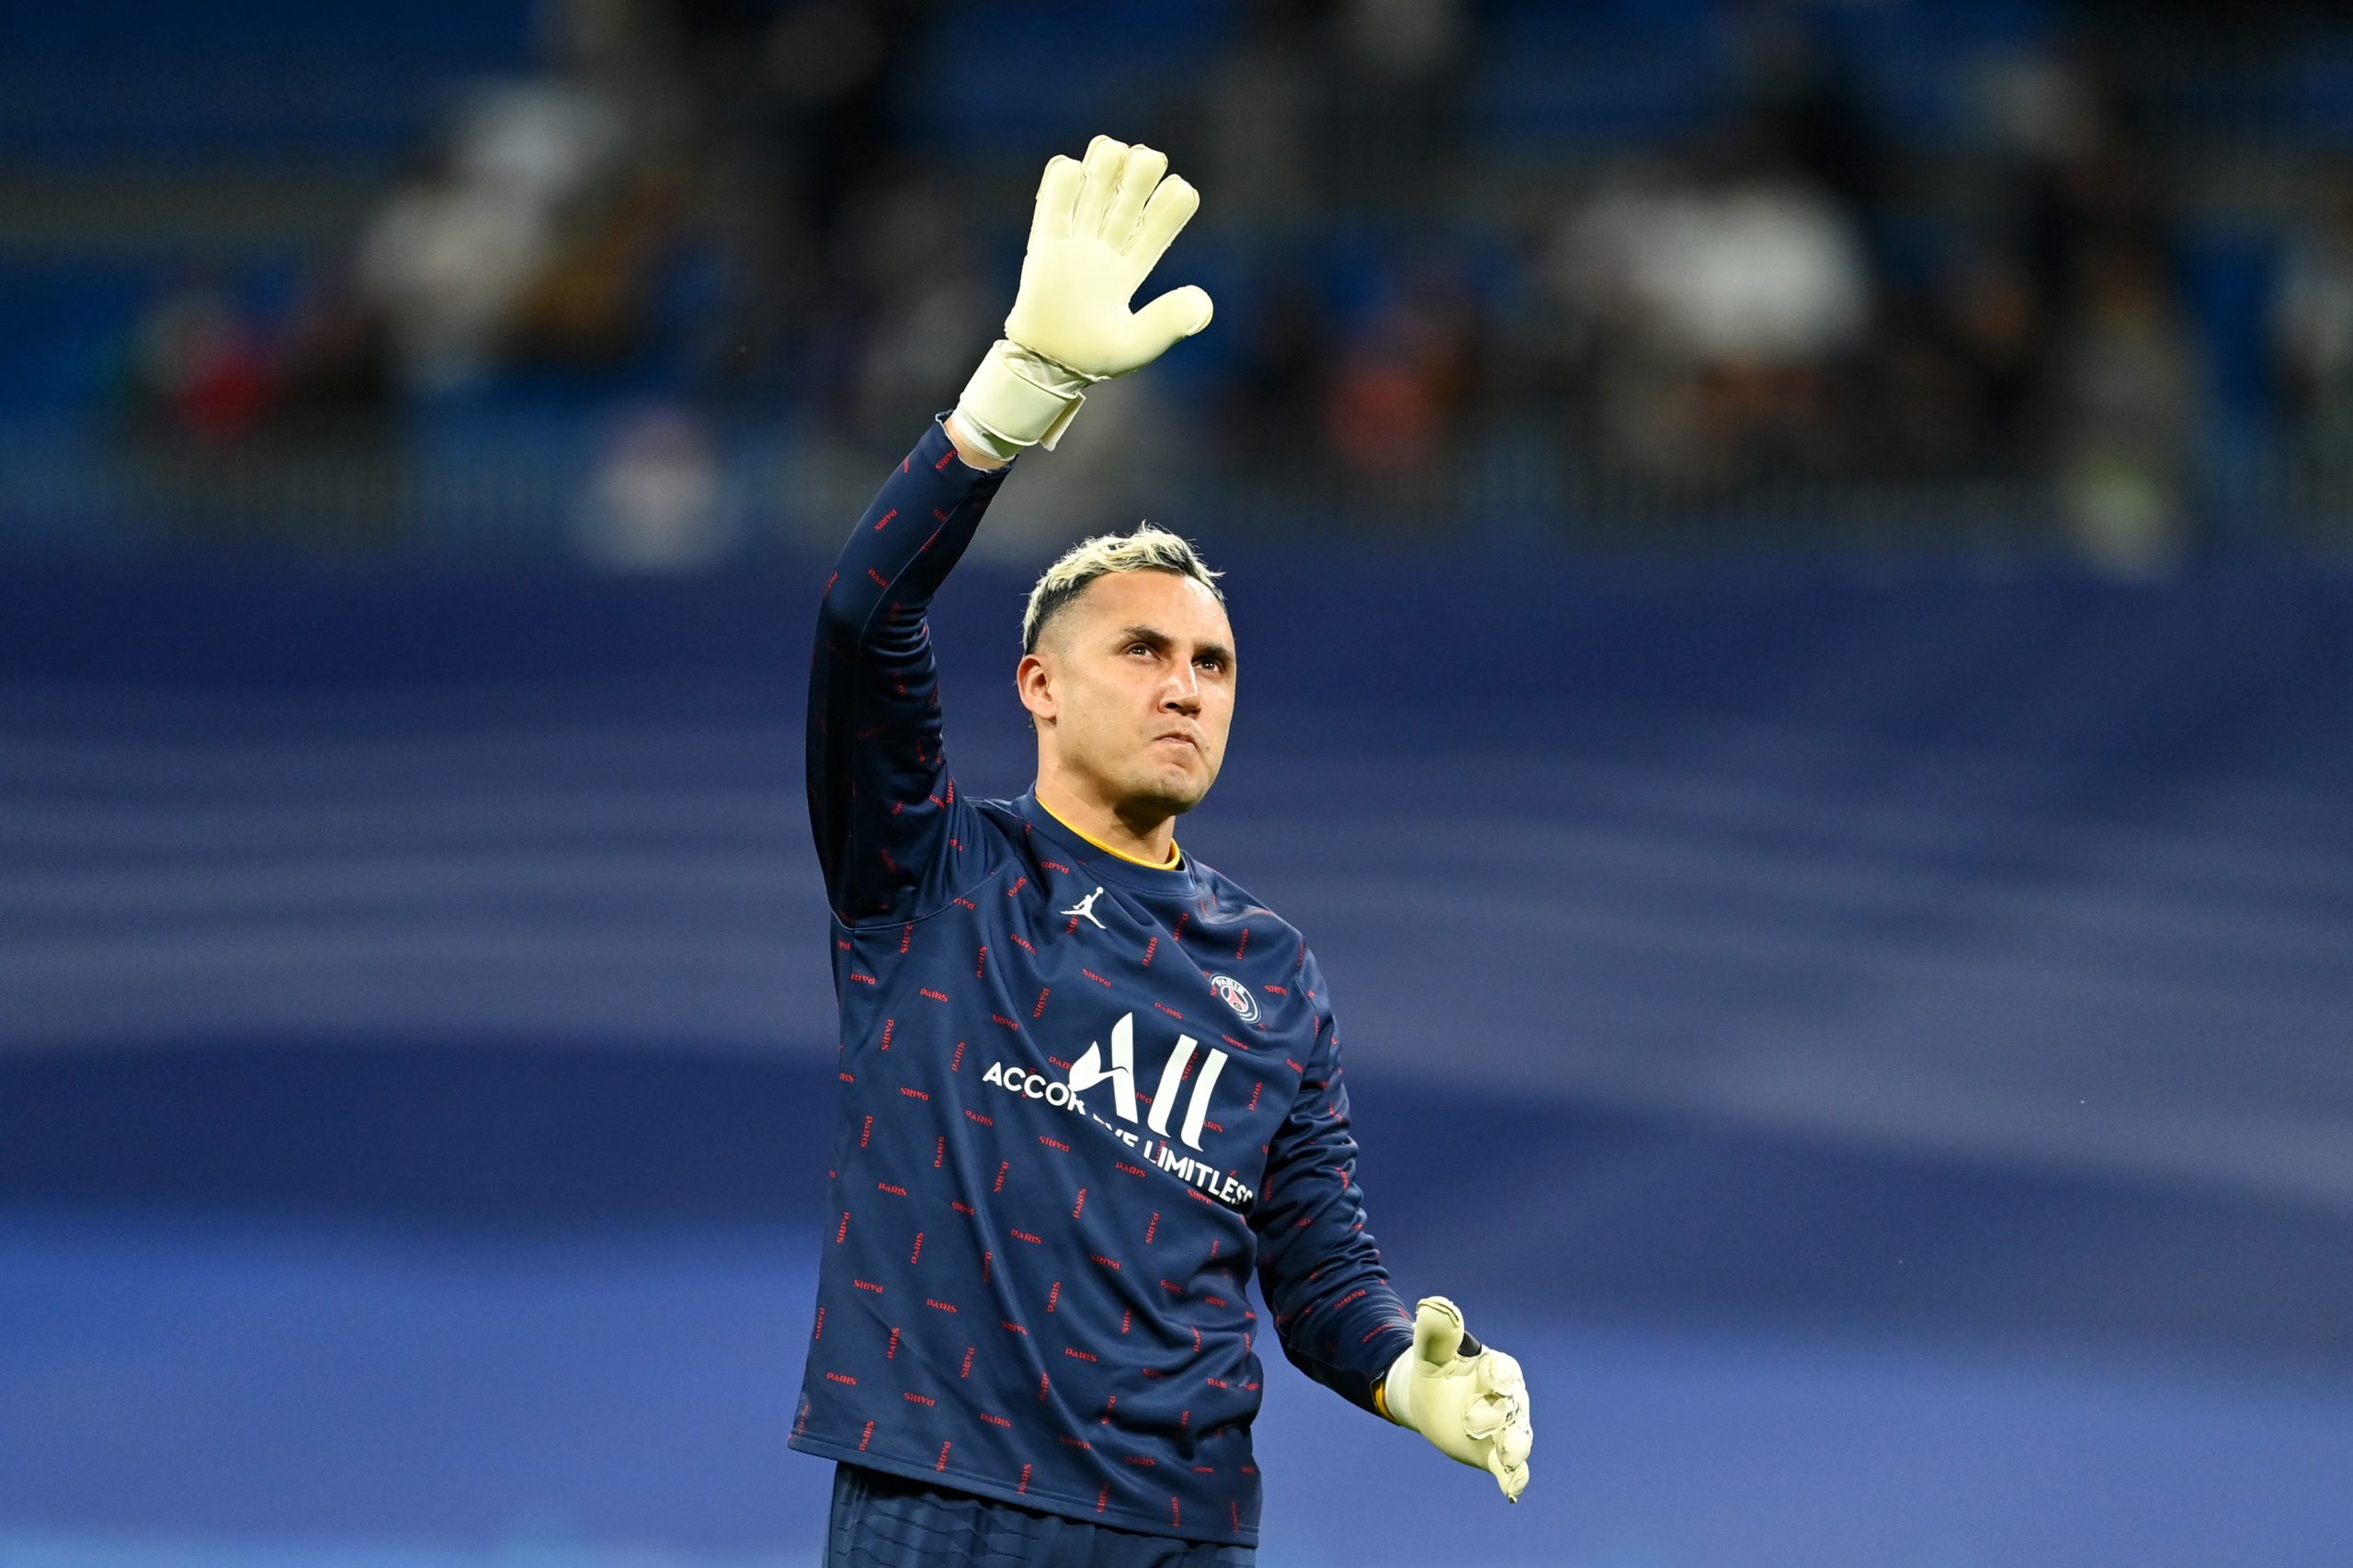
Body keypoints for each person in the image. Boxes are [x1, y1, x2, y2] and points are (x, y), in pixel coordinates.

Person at [796, 133, 1534, 1566]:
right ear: (1041, 685)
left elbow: (1318, 1267)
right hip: (946, 1505)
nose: (1186, 683)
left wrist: (1409, 1374)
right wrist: (1016, 396)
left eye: (1213, 660)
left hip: (1183, 1533)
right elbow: (859, 616)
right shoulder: (928, 874)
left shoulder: (1271, 967)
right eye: (1143, 648)